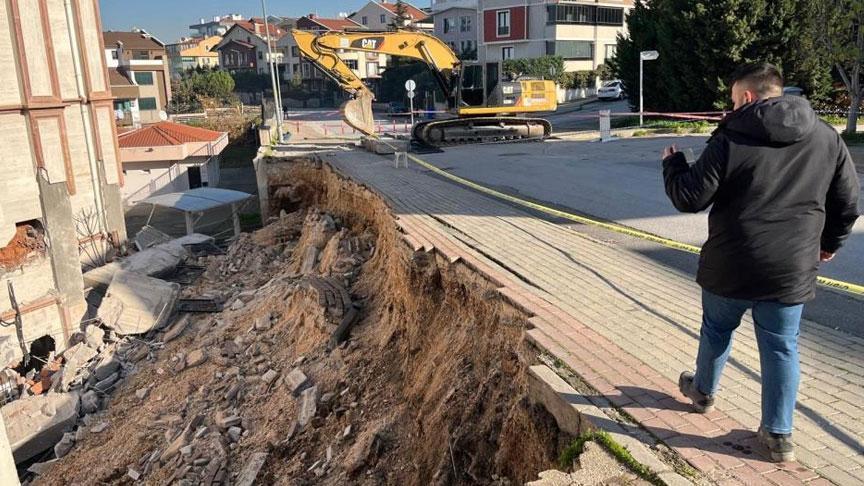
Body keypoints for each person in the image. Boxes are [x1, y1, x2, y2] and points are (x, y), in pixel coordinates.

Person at [661, 63, 860, 462]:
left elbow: (690, 197)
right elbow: (848, 202)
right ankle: (778, 435)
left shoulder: (731, 135)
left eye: (733, 100)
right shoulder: (826, 137)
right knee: (782, 347)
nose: (730, 108)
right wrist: (828, 243)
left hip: (731, 262)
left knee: (717, 329)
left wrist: (673, 164)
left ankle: (702, 393)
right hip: (790, 267)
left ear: (748, 97)